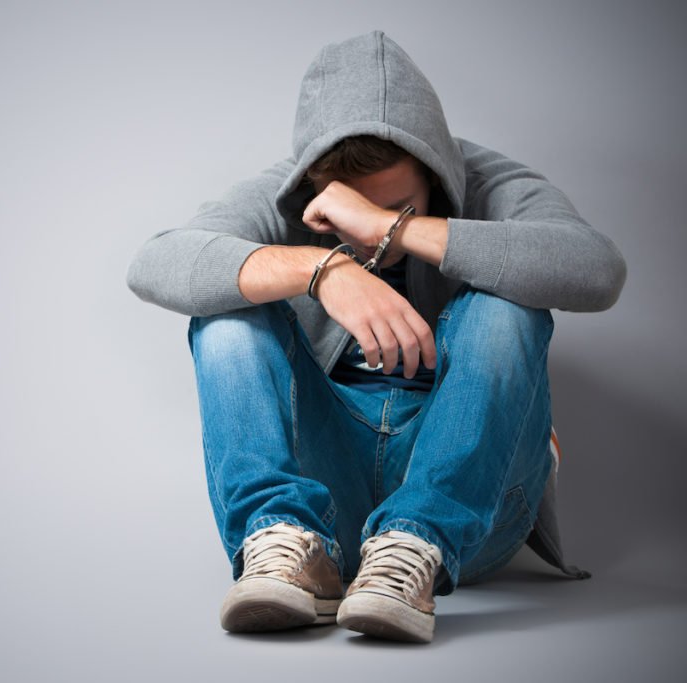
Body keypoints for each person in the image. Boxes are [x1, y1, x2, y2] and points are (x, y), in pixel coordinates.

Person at [126, 31, 625, 643]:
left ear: (438, 171)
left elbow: (596, 270)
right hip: (330, 488)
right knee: (228, 313)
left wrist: (396, 229)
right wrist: (322, 270)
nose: (368, 244)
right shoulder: (284, 193)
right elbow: (156, 263)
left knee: (510, 308)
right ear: (313, 182)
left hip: (474, 495)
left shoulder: (490, 182)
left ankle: (417, 543)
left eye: (398, 206)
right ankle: (284, 543)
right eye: (347, 215)